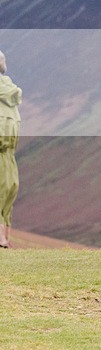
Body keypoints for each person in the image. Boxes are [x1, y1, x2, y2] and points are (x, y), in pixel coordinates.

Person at [0, 50, 21, 249]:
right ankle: (4, 237)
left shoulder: (7, 93)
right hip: (8, 153)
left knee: (5, 191)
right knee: (8, 191)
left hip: (4, 152)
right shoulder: (11, 93)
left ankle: (2, 238)